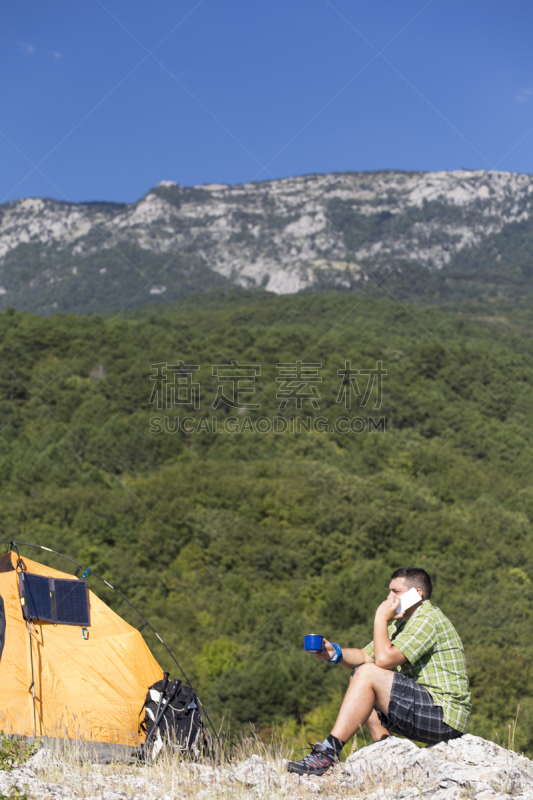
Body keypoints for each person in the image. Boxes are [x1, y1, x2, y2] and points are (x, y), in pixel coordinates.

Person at [287, 567, 471, 776]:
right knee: (361, 674)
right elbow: (366, 656)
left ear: (417, 594)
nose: (389, 597)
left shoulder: (427, 618)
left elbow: (383, 661)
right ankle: (385, 753)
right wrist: (334, 653)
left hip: (444, 716)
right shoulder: (402, 625)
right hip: (427, 709)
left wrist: (380, 618)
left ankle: (328, 753)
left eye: (396, 591)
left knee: (367, 674)